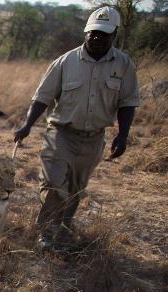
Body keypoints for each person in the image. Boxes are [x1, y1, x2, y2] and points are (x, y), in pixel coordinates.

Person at [12, 7, 140, 252]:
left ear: (113, 35)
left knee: (75, 190)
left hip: (94, 139)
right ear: (86, 32)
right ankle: (47, 235)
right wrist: (28, 124)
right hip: (61, 133)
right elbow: (42, 97)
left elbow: (127, 102)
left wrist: (123, 135)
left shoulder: (123, 65)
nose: (96, 38)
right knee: (52, 184)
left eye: (103, 34)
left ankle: (63, 227)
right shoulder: (65, 61)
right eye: (93, 32)